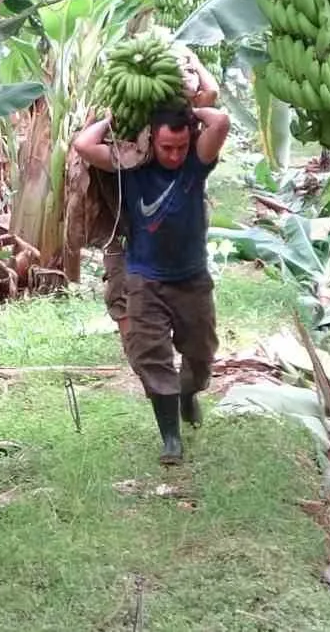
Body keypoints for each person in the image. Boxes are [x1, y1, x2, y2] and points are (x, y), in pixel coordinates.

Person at [72, 54, 228, 466]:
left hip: (192, 278)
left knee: (201, 354)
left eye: (180, 146)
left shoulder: (196, 164)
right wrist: (113, 119)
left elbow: (221, 123)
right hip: (145, 278)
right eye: (166, 147)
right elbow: (84, 145)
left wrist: (190, 110)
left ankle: (190, 393)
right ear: (150, 140)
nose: (175, 154)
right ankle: (170, 438)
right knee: (151, 354)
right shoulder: (132, 166)